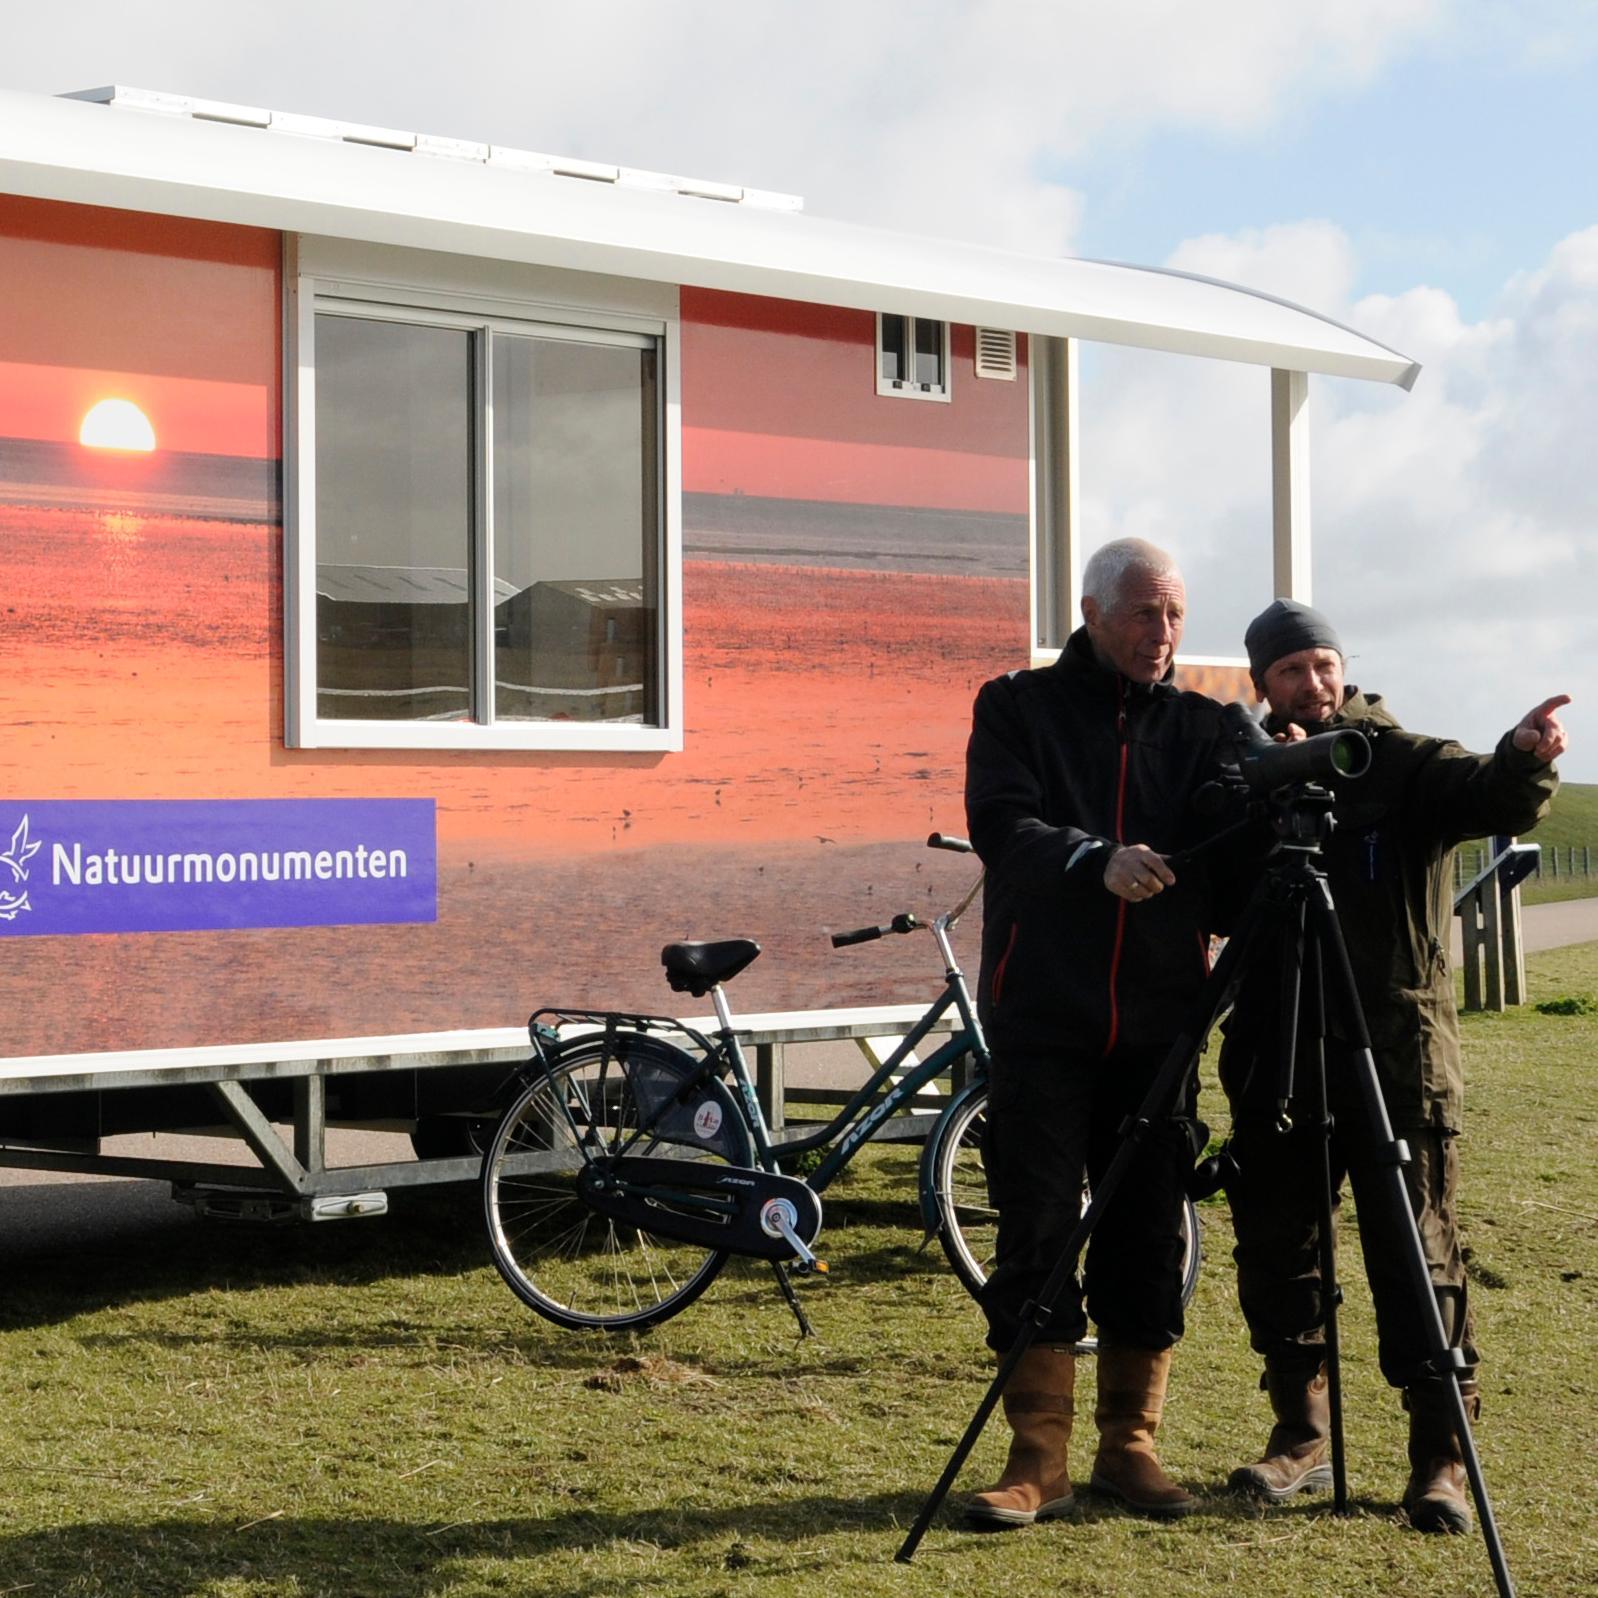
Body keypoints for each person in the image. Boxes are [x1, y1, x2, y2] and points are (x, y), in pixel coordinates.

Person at [1221, 597, 1567, 1534]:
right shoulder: (1252, 778)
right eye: (1292, 670)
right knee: (1277, 1250)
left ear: (1345, 670)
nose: (1313, 683)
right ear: (1264, 684)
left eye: (1324, 664)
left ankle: (1441, 1455)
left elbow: (1484, 793)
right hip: (1280, 1056)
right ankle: (1299, 1432)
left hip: (1396, 1058)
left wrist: (1523, 758)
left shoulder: (1404, 761)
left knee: (1419, 1258)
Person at [962, 537, 1233, 1527]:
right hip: (1042, 1017)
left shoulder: (1208, 728)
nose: (1159, 633)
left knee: (1144, 1238)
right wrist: (1092, 859)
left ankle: (1130, 1445)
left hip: (1157, 1029)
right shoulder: (1016, 707)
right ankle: (1037, 1456)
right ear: (1090, 610)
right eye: (1141, 613)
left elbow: (1237, 856)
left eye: (1172, 614)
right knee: (1036, 1227)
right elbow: (1000, 822)